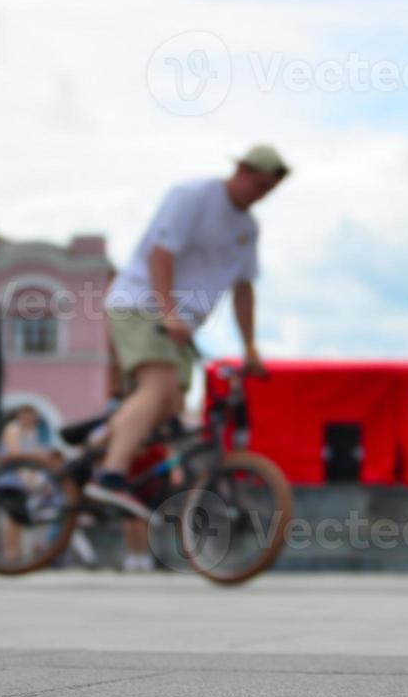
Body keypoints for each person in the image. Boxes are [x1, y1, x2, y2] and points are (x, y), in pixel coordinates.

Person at [91, 144, 287, 518]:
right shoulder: (194, 197)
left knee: (169, 405)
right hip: (142, 304)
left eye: (268, 190)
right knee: (158, 388)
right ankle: (110, 476)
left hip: (179, 325)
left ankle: (95, 447)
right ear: (241, 170)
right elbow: (159, 255)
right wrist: (168, 312)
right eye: (257, 184)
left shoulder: (248, 228)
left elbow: (243, 288)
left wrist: (250, 346)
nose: (259, 195)